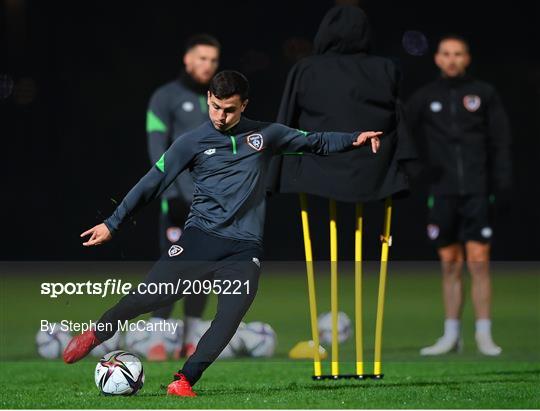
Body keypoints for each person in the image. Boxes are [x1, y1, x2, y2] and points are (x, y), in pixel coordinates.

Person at [63, 70, 383, 397]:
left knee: (229, 317)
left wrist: (354, 138)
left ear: (244, 105)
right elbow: (151, 184)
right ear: (209, 100)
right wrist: (112, 223)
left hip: (244, 249)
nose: (220, 116)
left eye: (229, 109)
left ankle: (183, 380)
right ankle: (96, 334)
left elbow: (315, 141)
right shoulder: (191, 142)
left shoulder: (266, 135)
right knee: (146, 298)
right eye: (215, 106)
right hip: (200, 239)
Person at [406, 35, 512, 356]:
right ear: (437, 58)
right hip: (442, 192)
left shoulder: (484, 94)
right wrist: (416, 171)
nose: (452, 59)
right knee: (450, 263)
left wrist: (502, 184)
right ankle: (451, 336)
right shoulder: (425, 97)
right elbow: (404, 133)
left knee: (479, 262)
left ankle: (484, 335)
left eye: (458, 54)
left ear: (467, 58)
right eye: (446, 54)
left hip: (478, 192)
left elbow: (501, 141)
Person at [145, 34, 220, 360]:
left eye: (214, 60)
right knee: (172, 270)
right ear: (187, 60)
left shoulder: (219, 100)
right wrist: (171, 193)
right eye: (202, 58)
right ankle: (157, 341)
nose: (208, 65)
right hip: (177, 202)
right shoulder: (165, 97)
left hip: (211, 204)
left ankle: (191, 340)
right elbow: (156, 150)